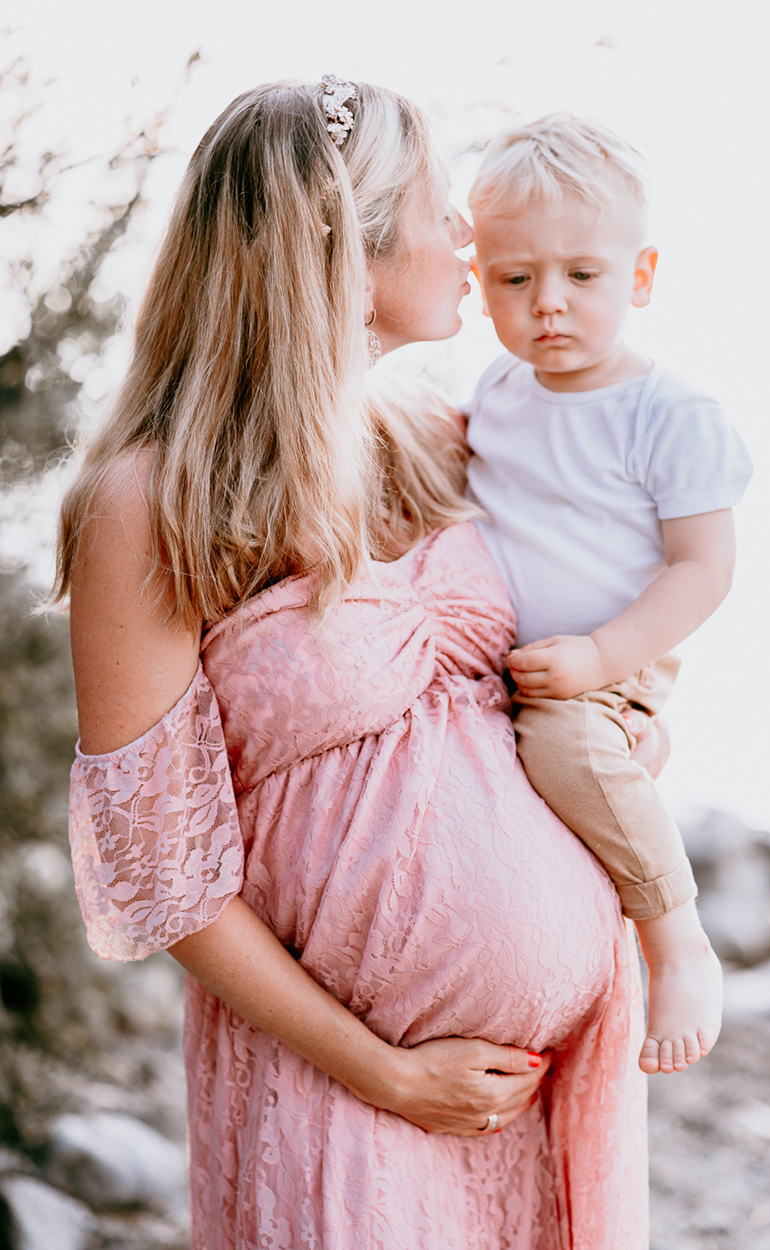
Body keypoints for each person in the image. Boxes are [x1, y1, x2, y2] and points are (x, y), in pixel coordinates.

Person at [57, 80, 649, 1249]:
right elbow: (164, 876)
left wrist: (630, 722)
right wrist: (386, 1072)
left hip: (543, 1088)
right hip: (344, 1090)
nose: (466, 238)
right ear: (343, 242)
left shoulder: (439, 440)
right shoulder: (148, 503)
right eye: (437, 207)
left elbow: (611, 625)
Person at [466, 113, 753, 1078]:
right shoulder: (496, 395)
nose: (548, 303)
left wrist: (599, 660)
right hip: (512, 660)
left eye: (581, 275)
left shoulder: (666, 413)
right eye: (516, 278)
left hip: (603, 668)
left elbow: (703, 569)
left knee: (565, 738)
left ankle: (677, 941)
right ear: (481, 283)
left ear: (639, 275)